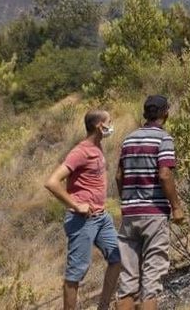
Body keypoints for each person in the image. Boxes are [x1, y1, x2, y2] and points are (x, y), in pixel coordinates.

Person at [44, 108, 121, 310]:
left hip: (101, 217)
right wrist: (76, 205)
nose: (111, 126)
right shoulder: (80, 152)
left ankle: (103, 306)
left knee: (118, 258)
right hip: (82, 220)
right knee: (76, 273)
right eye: (109, 122)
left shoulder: (98, 147)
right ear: (99, 126)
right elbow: (51, 182)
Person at [116, 95, 184, 310]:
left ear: (145, 114)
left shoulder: (128, 139)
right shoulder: (163, 139)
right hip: (154, 213)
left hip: (130, 214)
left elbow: (119, 176)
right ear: (166, 113)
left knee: (127, 282)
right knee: (151, 282)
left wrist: (127, 201)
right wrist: (176, 207)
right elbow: (165, 174)